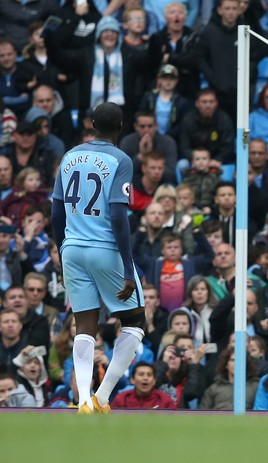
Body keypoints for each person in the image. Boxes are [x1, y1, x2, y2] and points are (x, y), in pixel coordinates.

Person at [50, 102, 144, 415]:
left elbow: (56, 211)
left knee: (84, 325)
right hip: (104, 248)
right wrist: (128, 267)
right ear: (122, 127)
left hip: (72, 248)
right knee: (135, 321)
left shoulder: (70, 156)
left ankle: (83, 402)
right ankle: (101, 398)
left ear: (92, 124)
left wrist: (62, 250)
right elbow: (118, 215)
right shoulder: (121, 159)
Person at [110, 361, 177, 409]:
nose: (145, 378)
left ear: (154, 381)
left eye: (149, 375)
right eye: (141, 374)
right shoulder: (122, 399)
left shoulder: (164, 399)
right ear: (132, 380)